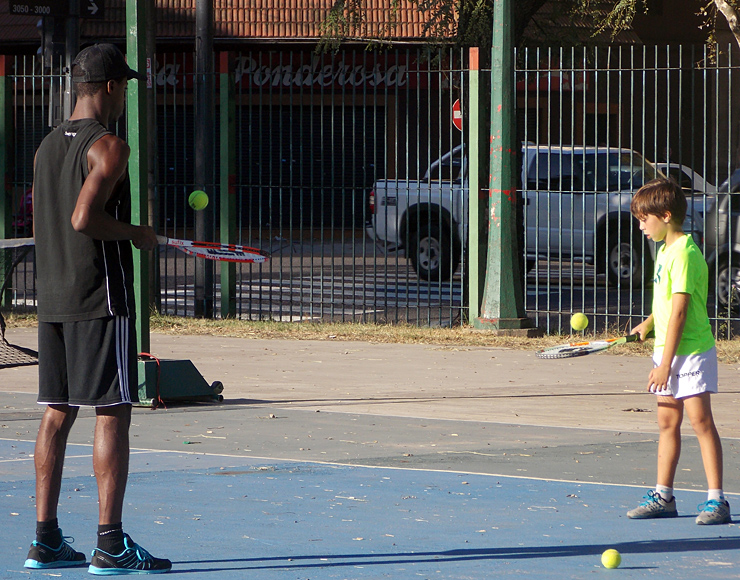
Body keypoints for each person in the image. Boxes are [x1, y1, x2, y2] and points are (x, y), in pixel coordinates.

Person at [24, 44, 172, 573]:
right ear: (110, 87)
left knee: (56, 413)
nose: (125, 93)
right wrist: (137, 234)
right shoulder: (110, 147)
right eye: (125, 85)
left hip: (53, 300)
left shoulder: (44, 149)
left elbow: (46, 224)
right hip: (99, 298)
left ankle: (45, 540)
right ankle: (110, 543)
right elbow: (83, 219)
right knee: (112, 412)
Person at [627, 178, 730, 525]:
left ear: (666, 215)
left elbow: (683, 311)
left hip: (692, 351)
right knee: (667, 422)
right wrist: (649, 322)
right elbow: (668, 305)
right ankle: (663, 496)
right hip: (665, 350)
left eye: (645, 219)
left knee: (701, 422)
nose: (641, 226)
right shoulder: (664, 251)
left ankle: (717, 501)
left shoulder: (685, 253)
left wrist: (664, 364)